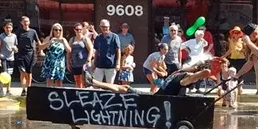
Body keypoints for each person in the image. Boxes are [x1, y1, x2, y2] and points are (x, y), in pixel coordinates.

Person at [84, 57, 223, 97]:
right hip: (155, 97)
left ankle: (94, 82)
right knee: (125, 87)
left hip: (156, 100)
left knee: (125, 88)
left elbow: (201, 74)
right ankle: (94, 82)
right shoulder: (181, 72)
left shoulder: (187, 77)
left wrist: (210, 69)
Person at [39, 23, 71, 87]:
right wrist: (49, 42)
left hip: (60, 62)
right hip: (50, 62)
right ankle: (49, 94)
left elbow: (69, 51)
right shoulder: (49, 38)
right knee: (49, 80)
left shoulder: (63, 39)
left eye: (59, 30)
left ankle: (59, 95)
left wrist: (64, 42)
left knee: (59, 81)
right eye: (56, 30)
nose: (58, 31)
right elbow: (40, 47)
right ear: (53, 30)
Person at [15, 16, 40, 96]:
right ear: (21, 23)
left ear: (29, 22)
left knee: (29, 72)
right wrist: (14, 48)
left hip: (30, 54)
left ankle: (29, 88)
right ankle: (23, 89)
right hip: (21, 54)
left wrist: (41, 50)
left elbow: (38, 42)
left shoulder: (33, 32)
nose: (26, 23)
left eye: (27, 21)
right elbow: (14, 42)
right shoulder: (18, 32)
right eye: (24, 21)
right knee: (23, 72)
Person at [93, 19, 121, 84]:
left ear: (109, 26)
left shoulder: (114, 36)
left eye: (106, 27)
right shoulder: (98, 37)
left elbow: (118, 50)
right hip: (99, 65)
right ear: (100, 27)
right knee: (96, 84)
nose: (104, 28)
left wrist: (118, 63)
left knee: (110, 85)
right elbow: (96, 51)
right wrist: (94, 63)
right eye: (103, 27)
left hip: (111, 65)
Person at [0, 21, 18, 97]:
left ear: (12, 28)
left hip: (11, 58)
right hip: (3, 57)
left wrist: (15, 49)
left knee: (9, 75)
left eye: (10, 27)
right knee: (4, 74)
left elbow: (16, 48)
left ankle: (8, 90)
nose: (8, 29)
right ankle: (1, 90)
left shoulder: (14, 36)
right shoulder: (0, 37)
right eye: (7, 27)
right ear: (4, 28)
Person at [68, 23, 93, 88]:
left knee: (85, 81)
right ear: (74, 30)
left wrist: (88, 60)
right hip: (75, 63)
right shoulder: (72, 39)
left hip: (84, 64)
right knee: (77, 81)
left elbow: (91, 49)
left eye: (80, 29)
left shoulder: (85, 39)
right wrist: (67, 63)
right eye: (77, 29)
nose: (79, 31)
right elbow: (69, 52)